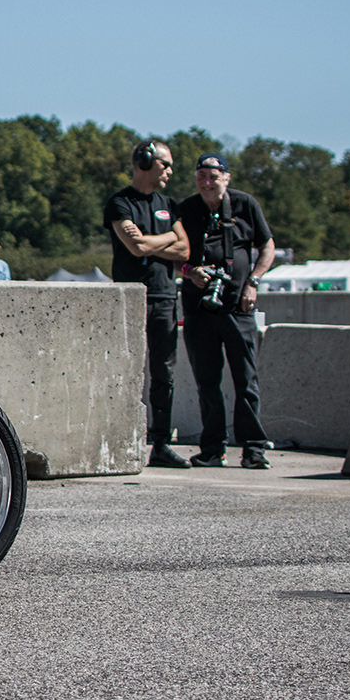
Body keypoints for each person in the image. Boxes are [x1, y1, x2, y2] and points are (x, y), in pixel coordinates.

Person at [176, 153, 276, 470]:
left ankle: (254, 449)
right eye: (201, 176)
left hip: (238, 306)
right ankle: (212, 448)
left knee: (246, 380)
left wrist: (253, 282)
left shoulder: (245, 205)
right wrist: (190, 271)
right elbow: (170, 254)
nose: (207, 182)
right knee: (207, 382)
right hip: (198, 307)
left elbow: (267, 246)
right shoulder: (187, 209)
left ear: (226, 178)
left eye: (213, 176)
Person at [103, 140, 190, 468]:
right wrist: (168, 237)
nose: (169, 171)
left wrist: (157, 241)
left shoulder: (169, 203)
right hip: (131, 298)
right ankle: (123, 441)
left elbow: (185, 251)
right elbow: (135, 245)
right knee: (126, 372)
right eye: (165, 164)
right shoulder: (119, 203)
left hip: (165, 296)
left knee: (164, 373)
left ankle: (162, 443)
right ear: (145, 161)